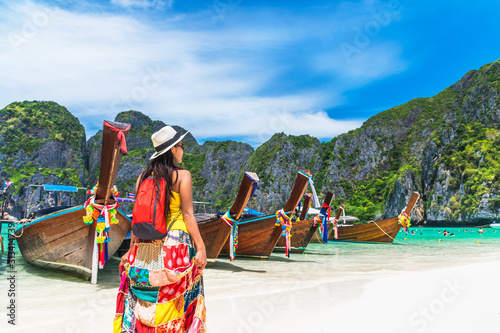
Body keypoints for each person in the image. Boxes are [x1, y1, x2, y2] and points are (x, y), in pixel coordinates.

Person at [114, 126, 207, 332]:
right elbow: (188, 214)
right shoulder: (182, 176)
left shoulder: (142, 178)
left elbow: (137, 219)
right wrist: (201, 248)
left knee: (146, 302)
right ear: (173, 149)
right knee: (177, 303)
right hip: (176, 246)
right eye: (181, 146)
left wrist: (130, 251)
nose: (183, 150)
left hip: (145, 247)